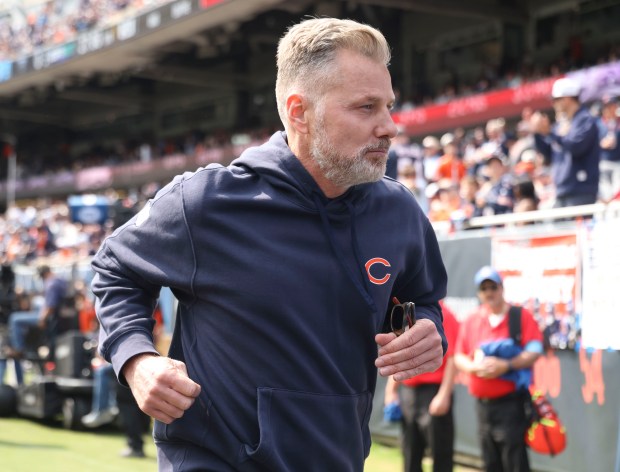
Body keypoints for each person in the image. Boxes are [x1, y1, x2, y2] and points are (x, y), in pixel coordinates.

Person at [91, 17, 448, 472]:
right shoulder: (207, 201)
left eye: (389, 106)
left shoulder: (398, 211)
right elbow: (113, 269)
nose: (390, 127)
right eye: (366, 108)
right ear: (299, 111)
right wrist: (136, 360)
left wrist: (430, 331)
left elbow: (425, 301)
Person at [454, 266, 543, 472]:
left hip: (511, 405)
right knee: (490, 462)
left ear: (501, 288)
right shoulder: (472, 319)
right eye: (484, 288)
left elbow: (535, 350)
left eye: (493, 287)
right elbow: (459, 356)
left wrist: (507, 365)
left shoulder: (519, 316)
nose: (489, 292)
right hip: (483, 407)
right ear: (479, 293)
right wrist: (475, 368)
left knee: (515, 462)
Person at [384, 300, 459, 472]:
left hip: (433, 391)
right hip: (409, 392)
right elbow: (400, 354)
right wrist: (391, 390)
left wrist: (444, 395)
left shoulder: (444, 313)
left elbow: (454, 357)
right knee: (410, 453)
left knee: (441, 455)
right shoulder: (408, 311)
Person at [531, 77, 601, 207]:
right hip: (561, 191)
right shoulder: (561, 124)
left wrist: (550, 133)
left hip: (581, 190)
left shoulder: (585, 120)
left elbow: (577, 147)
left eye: (556, 100)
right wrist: (538, 132)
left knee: (577, 227)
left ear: (567, 98)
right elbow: (548, 154)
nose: (553, 103)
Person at [8, 265, 67, 382]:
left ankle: (19, 348)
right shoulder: (60, 280)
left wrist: (42, 319)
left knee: (14, 318)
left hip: (49, 319)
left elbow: (51, 306)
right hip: (56, 320)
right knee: (36, 304)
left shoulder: (52, 283)